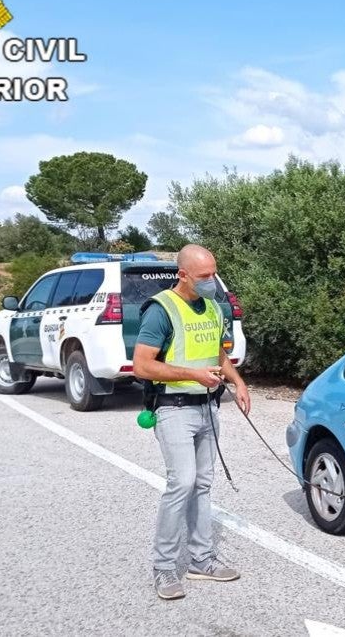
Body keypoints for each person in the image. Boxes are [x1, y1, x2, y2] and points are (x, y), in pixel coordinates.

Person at [132, 244, 252, 601]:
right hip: (173, 408)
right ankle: (164, 568)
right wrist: (191, 374)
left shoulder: (213, 306)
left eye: (213, 274)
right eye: (203, 277)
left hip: (207, 408)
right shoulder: (161, 310)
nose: (211, 282)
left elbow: (218, 353)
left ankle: (202, 559)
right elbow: (142, 365)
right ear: (182, 275)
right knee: (181, 483)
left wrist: (238, 381)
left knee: (202, 483)